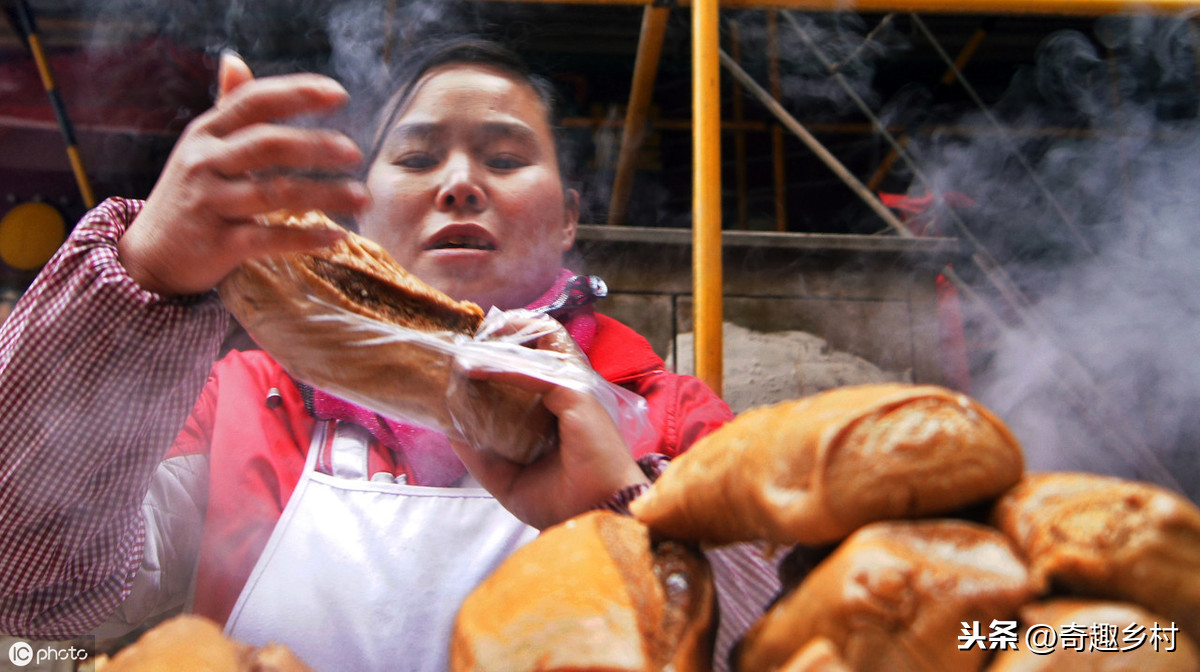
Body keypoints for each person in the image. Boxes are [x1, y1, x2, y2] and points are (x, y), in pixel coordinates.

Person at [0, 38, 773, 670]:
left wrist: (624, 506)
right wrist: (144, 276)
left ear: (569, 218)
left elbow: (795, 645)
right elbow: (34, 591)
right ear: (357, 208)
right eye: (415, 158)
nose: (461, 184)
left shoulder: (671, 418)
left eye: (505, 159)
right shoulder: (238, 398)